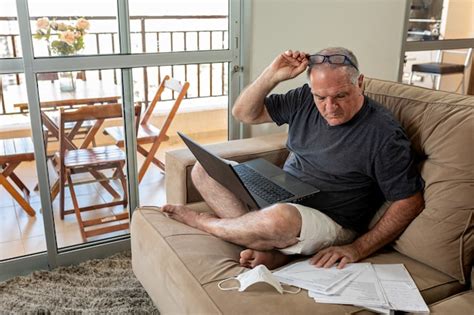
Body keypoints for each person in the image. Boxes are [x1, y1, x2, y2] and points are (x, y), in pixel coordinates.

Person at [161, 47, 425, 270]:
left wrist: (357, 248)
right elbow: (244, 113)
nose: (329, 108)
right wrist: (272, 76)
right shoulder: (304, 99)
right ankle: (268, 244)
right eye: (321, 97)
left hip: (331, 219)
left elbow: (409, 200)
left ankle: (210, 225)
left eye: (340, 96)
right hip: (282, 191)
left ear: (360, 83)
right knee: (202, 170)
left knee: (278, 219)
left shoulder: (384, 134)